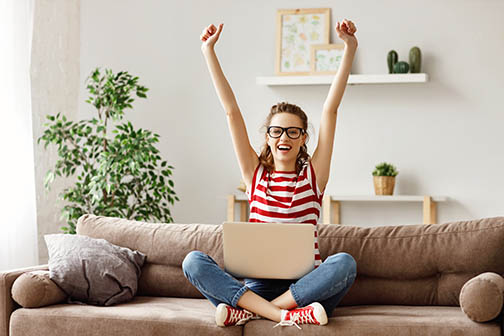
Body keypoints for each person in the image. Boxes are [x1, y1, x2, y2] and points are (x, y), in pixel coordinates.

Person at [183, 19, 358, 329]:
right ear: (267, 136)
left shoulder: (312, 177)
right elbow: (231, 111)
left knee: (344, 263)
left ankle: (252, 312)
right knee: (192, 261)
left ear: (304, 138)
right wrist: (207, 51)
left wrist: (350, 48)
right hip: (257, 286)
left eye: (293, 132)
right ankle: (281, 316)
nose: (284, 138)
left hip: (305, 288)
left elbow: (330, 110)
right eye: (277, 131)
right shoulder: (255, 175)